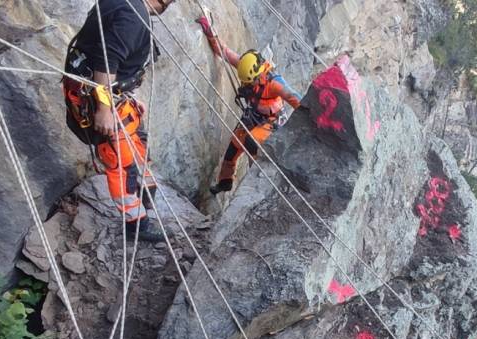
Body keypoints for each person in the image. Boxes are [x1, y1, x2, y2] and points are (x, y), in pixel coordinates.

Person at [63, 0, 175, 242]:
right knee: (121, 164)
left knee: (138, 144)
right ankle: (136, 225)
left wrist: (129, 95)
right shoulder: (134, 16)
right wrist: (104, 109)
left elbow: (110, 50)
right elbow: (108, 58)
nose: (172, 3)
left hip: (114, 95)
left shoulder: (129, 5)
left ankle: (146, 196)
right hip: (102, 99)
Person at [195, 17, 302, 195]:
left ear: (259, 75)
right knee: (233, 148)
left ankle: (255, 181)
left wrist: (308, 113)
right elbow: (225, 52)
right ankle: (225, 182)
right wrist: (210, 33)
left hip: (272, 121)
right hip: (254, 117)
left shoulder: (274, 83)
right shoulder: (247, 69)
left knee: (252, 143)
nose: (248, 86)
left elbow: (292, 97)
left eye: (250, 83)